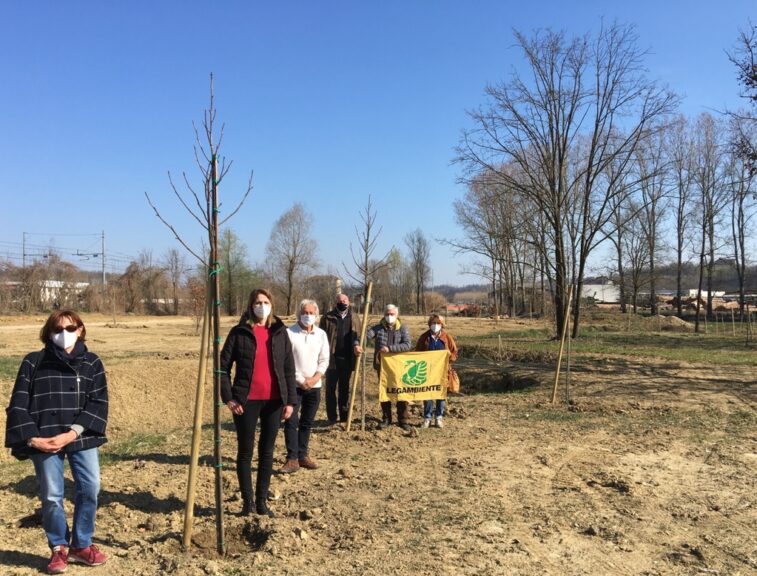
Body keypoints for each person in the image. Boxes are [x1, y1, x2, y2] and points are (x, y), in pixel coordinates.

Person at [5, 310, 109, 575]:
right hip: (43, 436)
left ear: (81, 330)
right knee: (52, 495)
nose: (65, 334)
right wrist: (32, 438)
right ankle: (59, 547)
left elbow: (97, 402)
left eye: (71, 328)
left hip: (80, 435)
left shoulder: (92, 362)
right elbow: (18, 403)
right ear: (48, 333)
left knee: (90, 488)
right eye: (58, 329)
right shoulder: (33, 362)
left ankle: (82, 544)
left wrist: (72, 433)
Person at [220, 289, 297, 518]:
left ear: (271, 305)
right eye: (257, 302)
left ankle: (262, 501)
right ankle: (248, 502)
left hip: (274, 402)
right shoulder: (239, 333)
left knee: (267, 451)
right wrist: (229, 397)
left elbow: (288, 369)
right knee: (245, 452)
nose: (261, 306)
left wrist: (290, 401)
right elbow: (222, 368)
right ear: (250, 306)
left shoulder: (280, 332)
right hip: (246, 402)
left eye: (265, 302)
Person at [280, 299, 330, 473]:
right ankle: (292, 458)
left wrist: (315, 378)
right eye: (305, 312)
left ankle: (303, 455)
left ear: (316, 315)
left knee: (307, 422)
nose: (308, 316)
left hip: (314, 386)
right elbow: (285, 362)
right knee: (291, 421)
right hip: (294, 386)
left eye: (311, 313)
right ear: (299, 313)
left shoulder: (321, 334)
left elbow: (324, 359)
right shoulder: (289, 333)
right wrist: (301, 380)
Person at [364, 304, 412, 430]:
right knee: (385, 392)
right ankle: (386, 418)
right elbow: (365, 337)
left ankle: (403, 419)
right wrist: (358, 343)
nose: (389, 316)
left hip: (399, 366)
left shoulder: (403, 329)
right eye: (387, 314)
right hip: (382, 366)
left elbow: (407, 345)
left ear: (397, 315)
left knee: (400, 392)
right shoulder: (378, 328)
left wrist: (390, 348)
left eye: (392, 314)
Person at [319, 293, 362, 424]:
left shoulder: (354, 317)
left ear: (349, 302)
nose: (342, 302)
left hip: (347, 359)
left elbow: (359, 335)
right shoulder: (327, 317)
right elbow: (321, 336)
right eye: (339, 300)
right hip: (331, 358)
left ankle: (344, 417)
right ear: (335, 302)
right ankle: (332, 417)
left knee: (345, 389)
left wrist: (357, 345)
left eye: (344, 300)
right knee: (330, 389)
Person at [415, 314, 459, 428]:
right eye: (433, 323)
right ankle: (427, 417)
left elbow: (454, 352)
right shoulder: (424, 337)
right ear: (429, 324)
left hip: (442, 371)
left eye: (438, 323)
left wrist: (450, 357)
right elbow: (417, 353)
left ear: (442, 325)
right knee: (428, 394)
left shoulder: (447, 337)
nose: (435, 325)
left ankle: (439, 417)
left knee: (441, 394)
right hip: (427, 371)